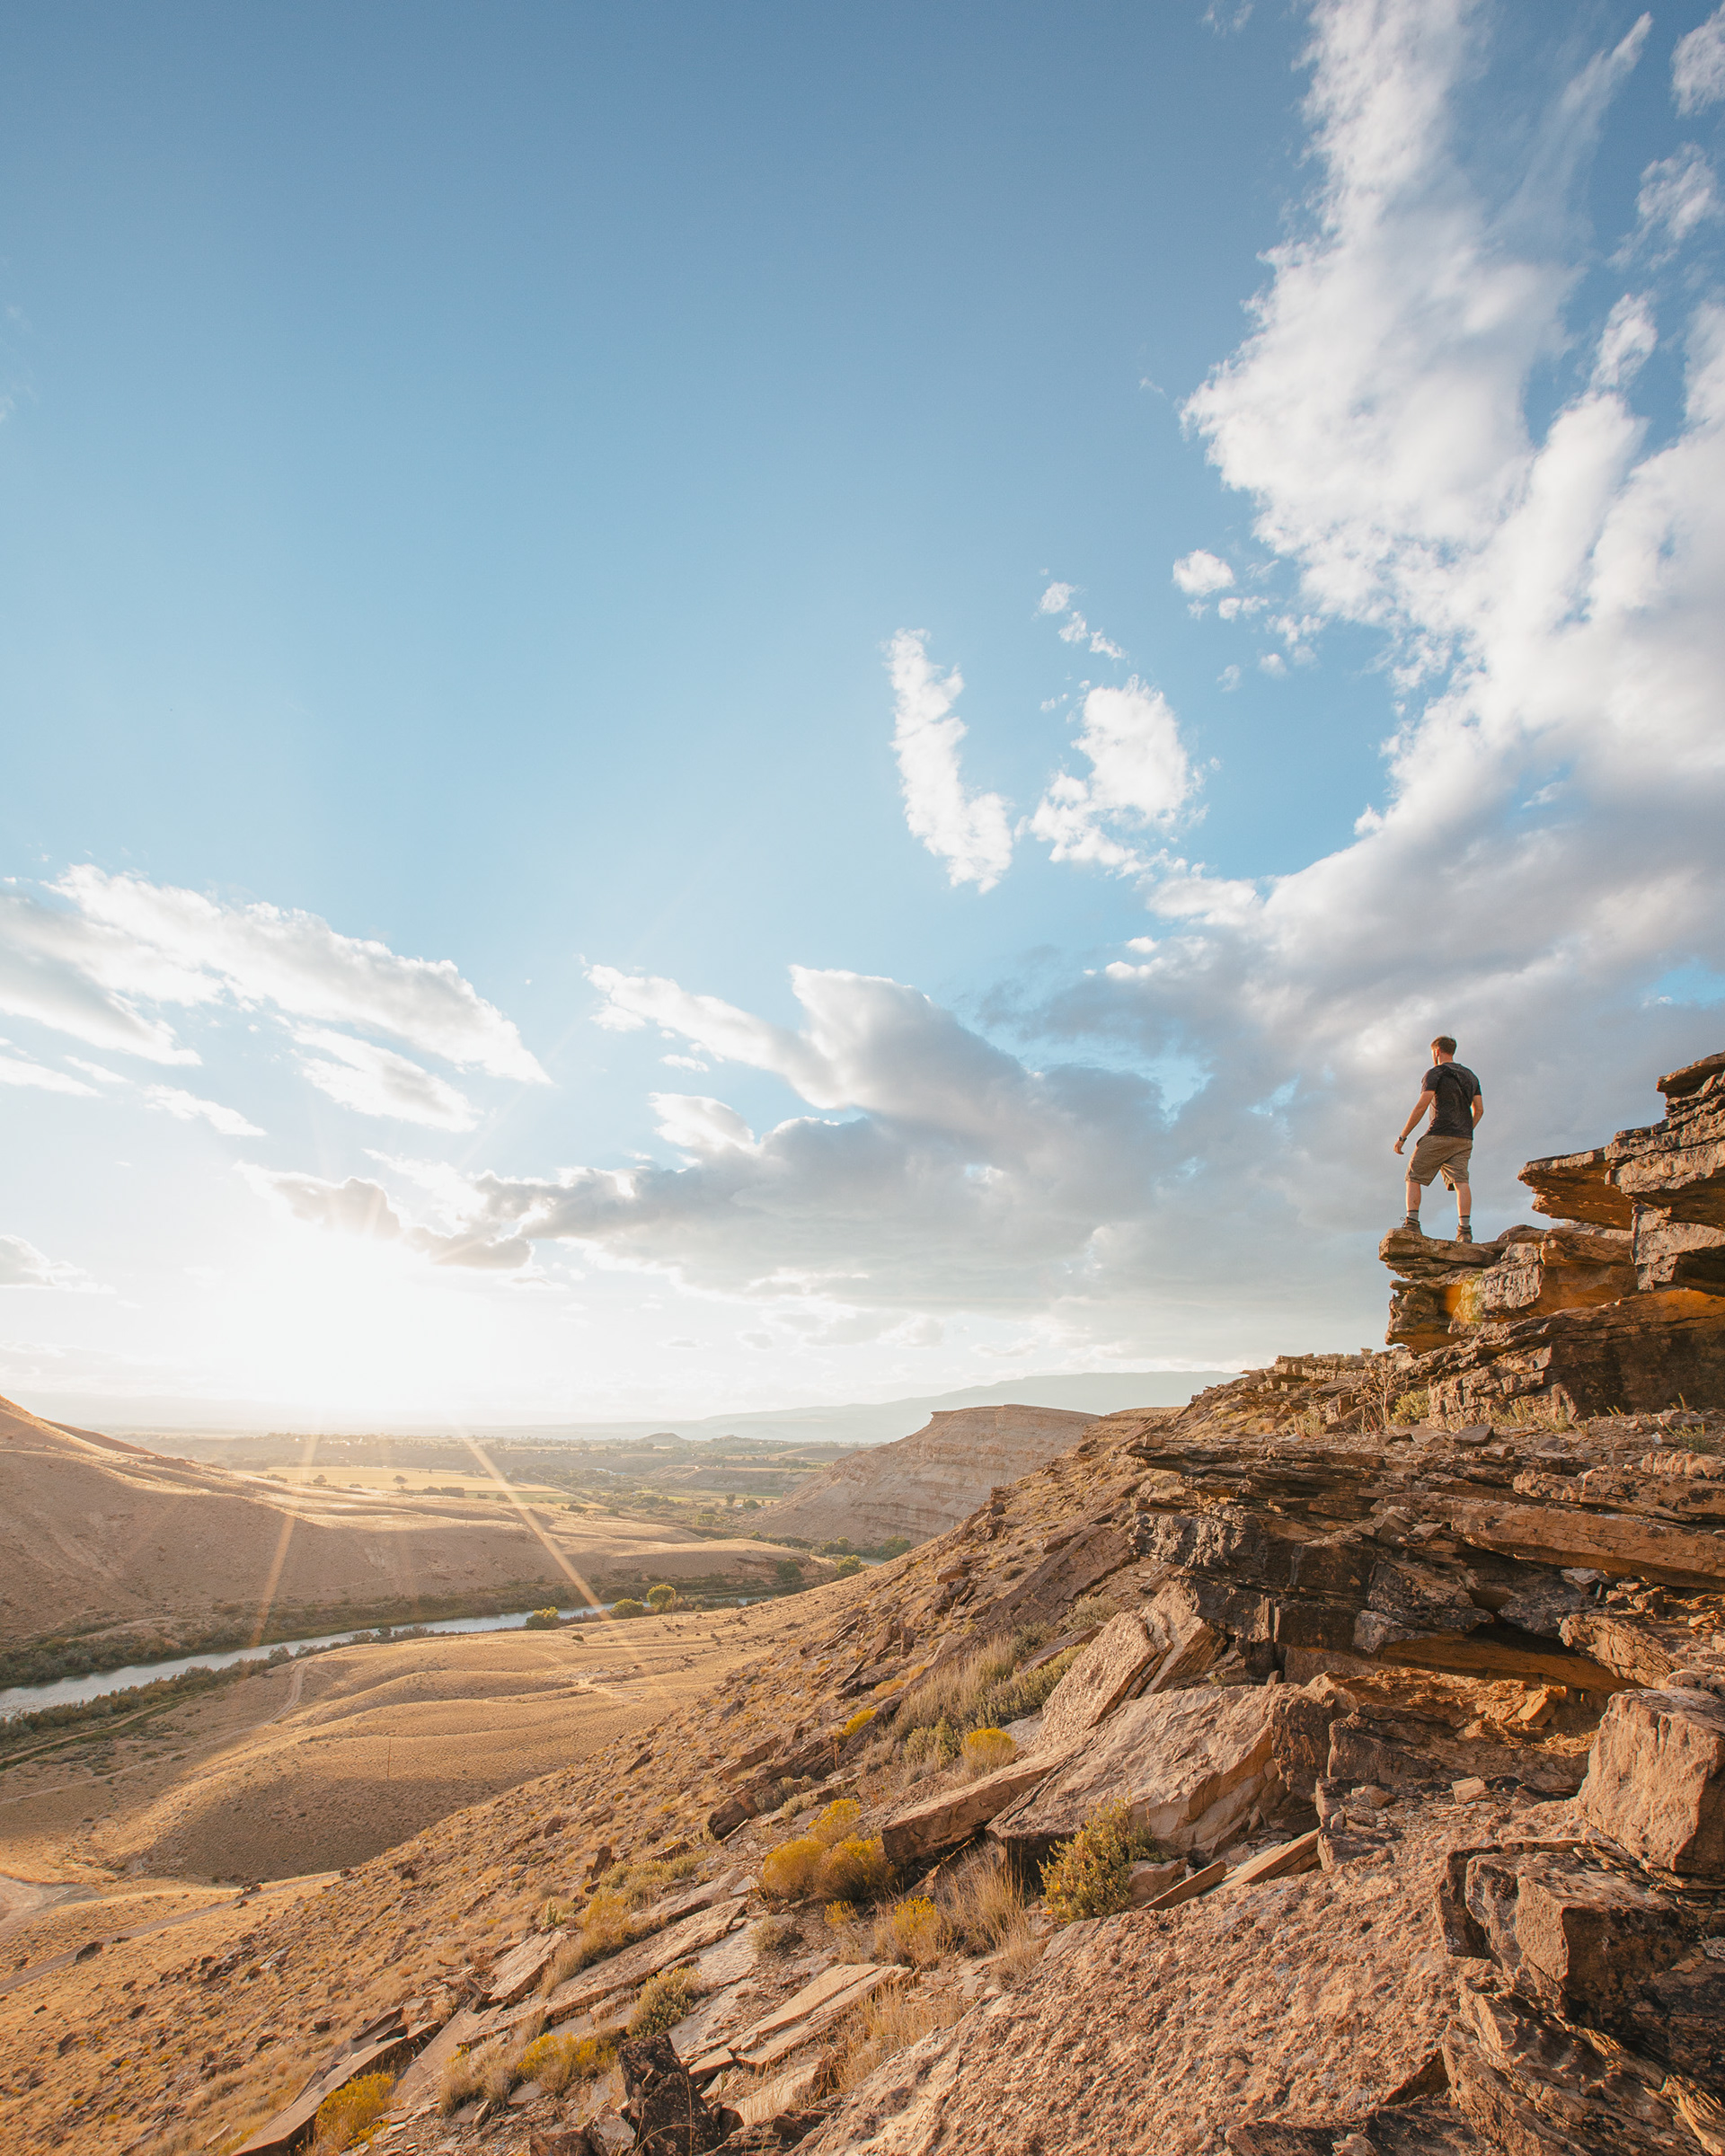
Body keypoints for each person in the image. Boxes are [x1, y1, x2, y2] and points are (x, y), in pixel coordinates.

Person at [1393, 1035, 1482, 1241]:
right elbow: (1479, 1110)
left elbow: (1422, 1105)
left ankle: (1412, 1224)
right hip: (1464, 1138)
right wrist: (1466, 1129)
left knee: (1413, 1175)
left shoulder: (1436, 1073)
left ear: (1436, 1052)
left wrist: (1403, 1136)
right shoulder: (1470, 1076)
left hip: (1439, 1133)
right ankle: (1464, 1230)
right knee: (1461, 1181)